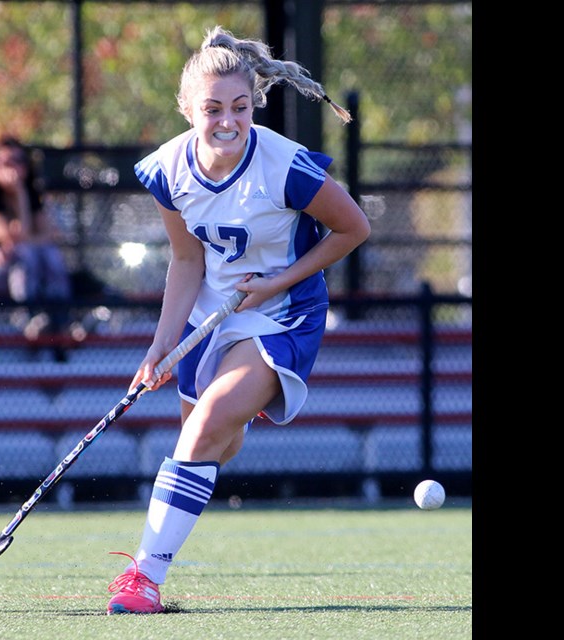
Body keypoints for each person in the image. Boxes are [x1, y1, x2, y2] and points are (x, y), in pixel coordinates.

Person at [104, 26, 371, 614]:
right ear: (186, 109)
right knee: (213, 447)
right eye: (213, 109)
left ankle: (142, 579)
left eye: (240, 107)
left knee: (202, 433)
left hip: (280, 314)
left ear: (255, 104)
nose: (228, 121)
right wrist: (161, 348)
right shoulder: (168, 170)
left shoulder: (286, 167)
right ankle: (233, 418)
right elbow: (185, 259)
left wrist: (276, 282)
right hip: (211, 317)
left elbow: (354, 229)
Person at [0, 135, 73, 342]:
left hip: (17, 266)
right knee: (24, 252)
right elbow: (12, 237)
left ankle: (60, 320)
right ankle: (27, 319)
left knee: (50, 254)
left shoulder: (30, 191)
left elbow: (48, 235)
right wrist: (18, 195)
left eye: (20, 161)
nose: (15, 168)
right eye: (7, 162)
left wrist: (21, 193)